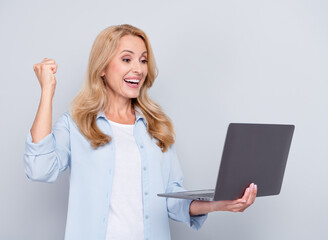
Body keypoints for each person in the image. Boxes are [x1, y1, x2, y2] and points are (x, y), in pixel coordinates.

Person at [24, 24, 257, 240]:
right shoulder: (77, 124)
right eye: (127, 59)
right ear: (102, 67)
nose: (138, 69)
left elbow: (172, 199)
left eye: (143, 60)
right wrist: (47, 91)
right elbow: (40, 169)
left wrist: (220, 203)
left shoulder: (157, 126)